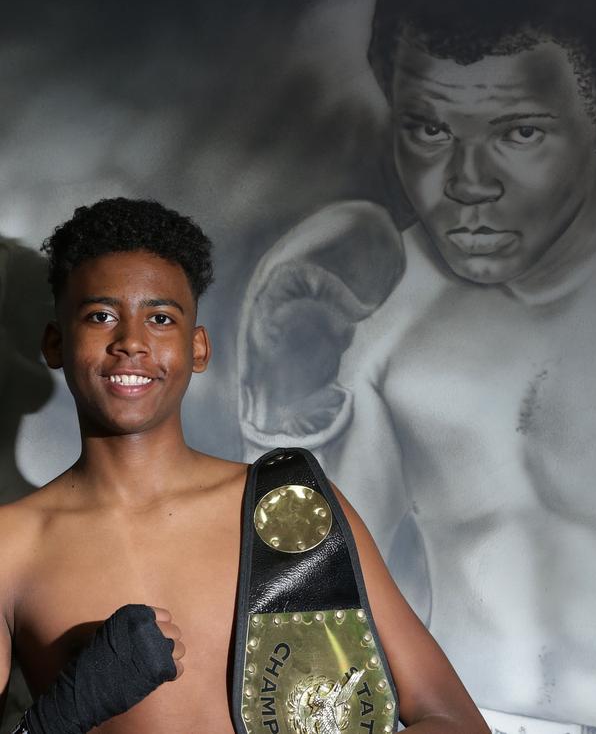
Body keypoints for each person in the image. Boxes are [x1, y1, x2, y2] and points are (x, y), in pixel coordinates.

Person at [238, 0, 596, 730]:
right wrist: (278, 431)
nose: (465, 183)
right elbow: (315, 608)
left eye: (518, 133)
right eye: (428, 130)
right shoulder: (374, 306)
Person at [0, 197, 487, 734]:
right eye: (101, 316)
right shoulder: (12, 545)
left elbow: (453, 719)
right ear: (55, 343)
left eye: (160, 318)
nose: (132, 342)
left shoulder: (291, 508)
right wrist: (63, 715)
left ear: (198, 348)